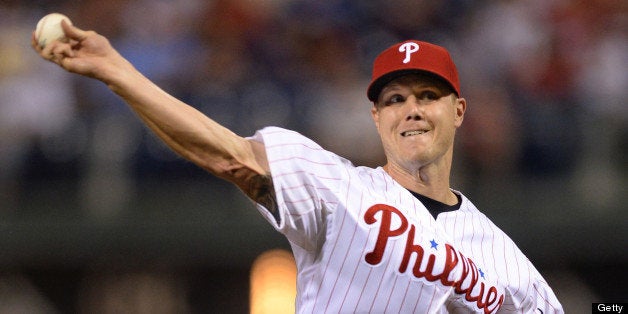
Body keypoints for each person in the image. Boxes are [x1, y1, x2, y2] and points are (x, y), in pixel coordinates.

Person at [33, 20, 563, 313]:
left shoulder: (504, 257)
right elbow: (227, 154)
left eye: (429, 95)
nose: (412, 110)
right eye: (395, 98)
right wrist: (117, 71)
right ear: (376, 118)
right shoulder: (337, 188)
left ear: (459, 111)